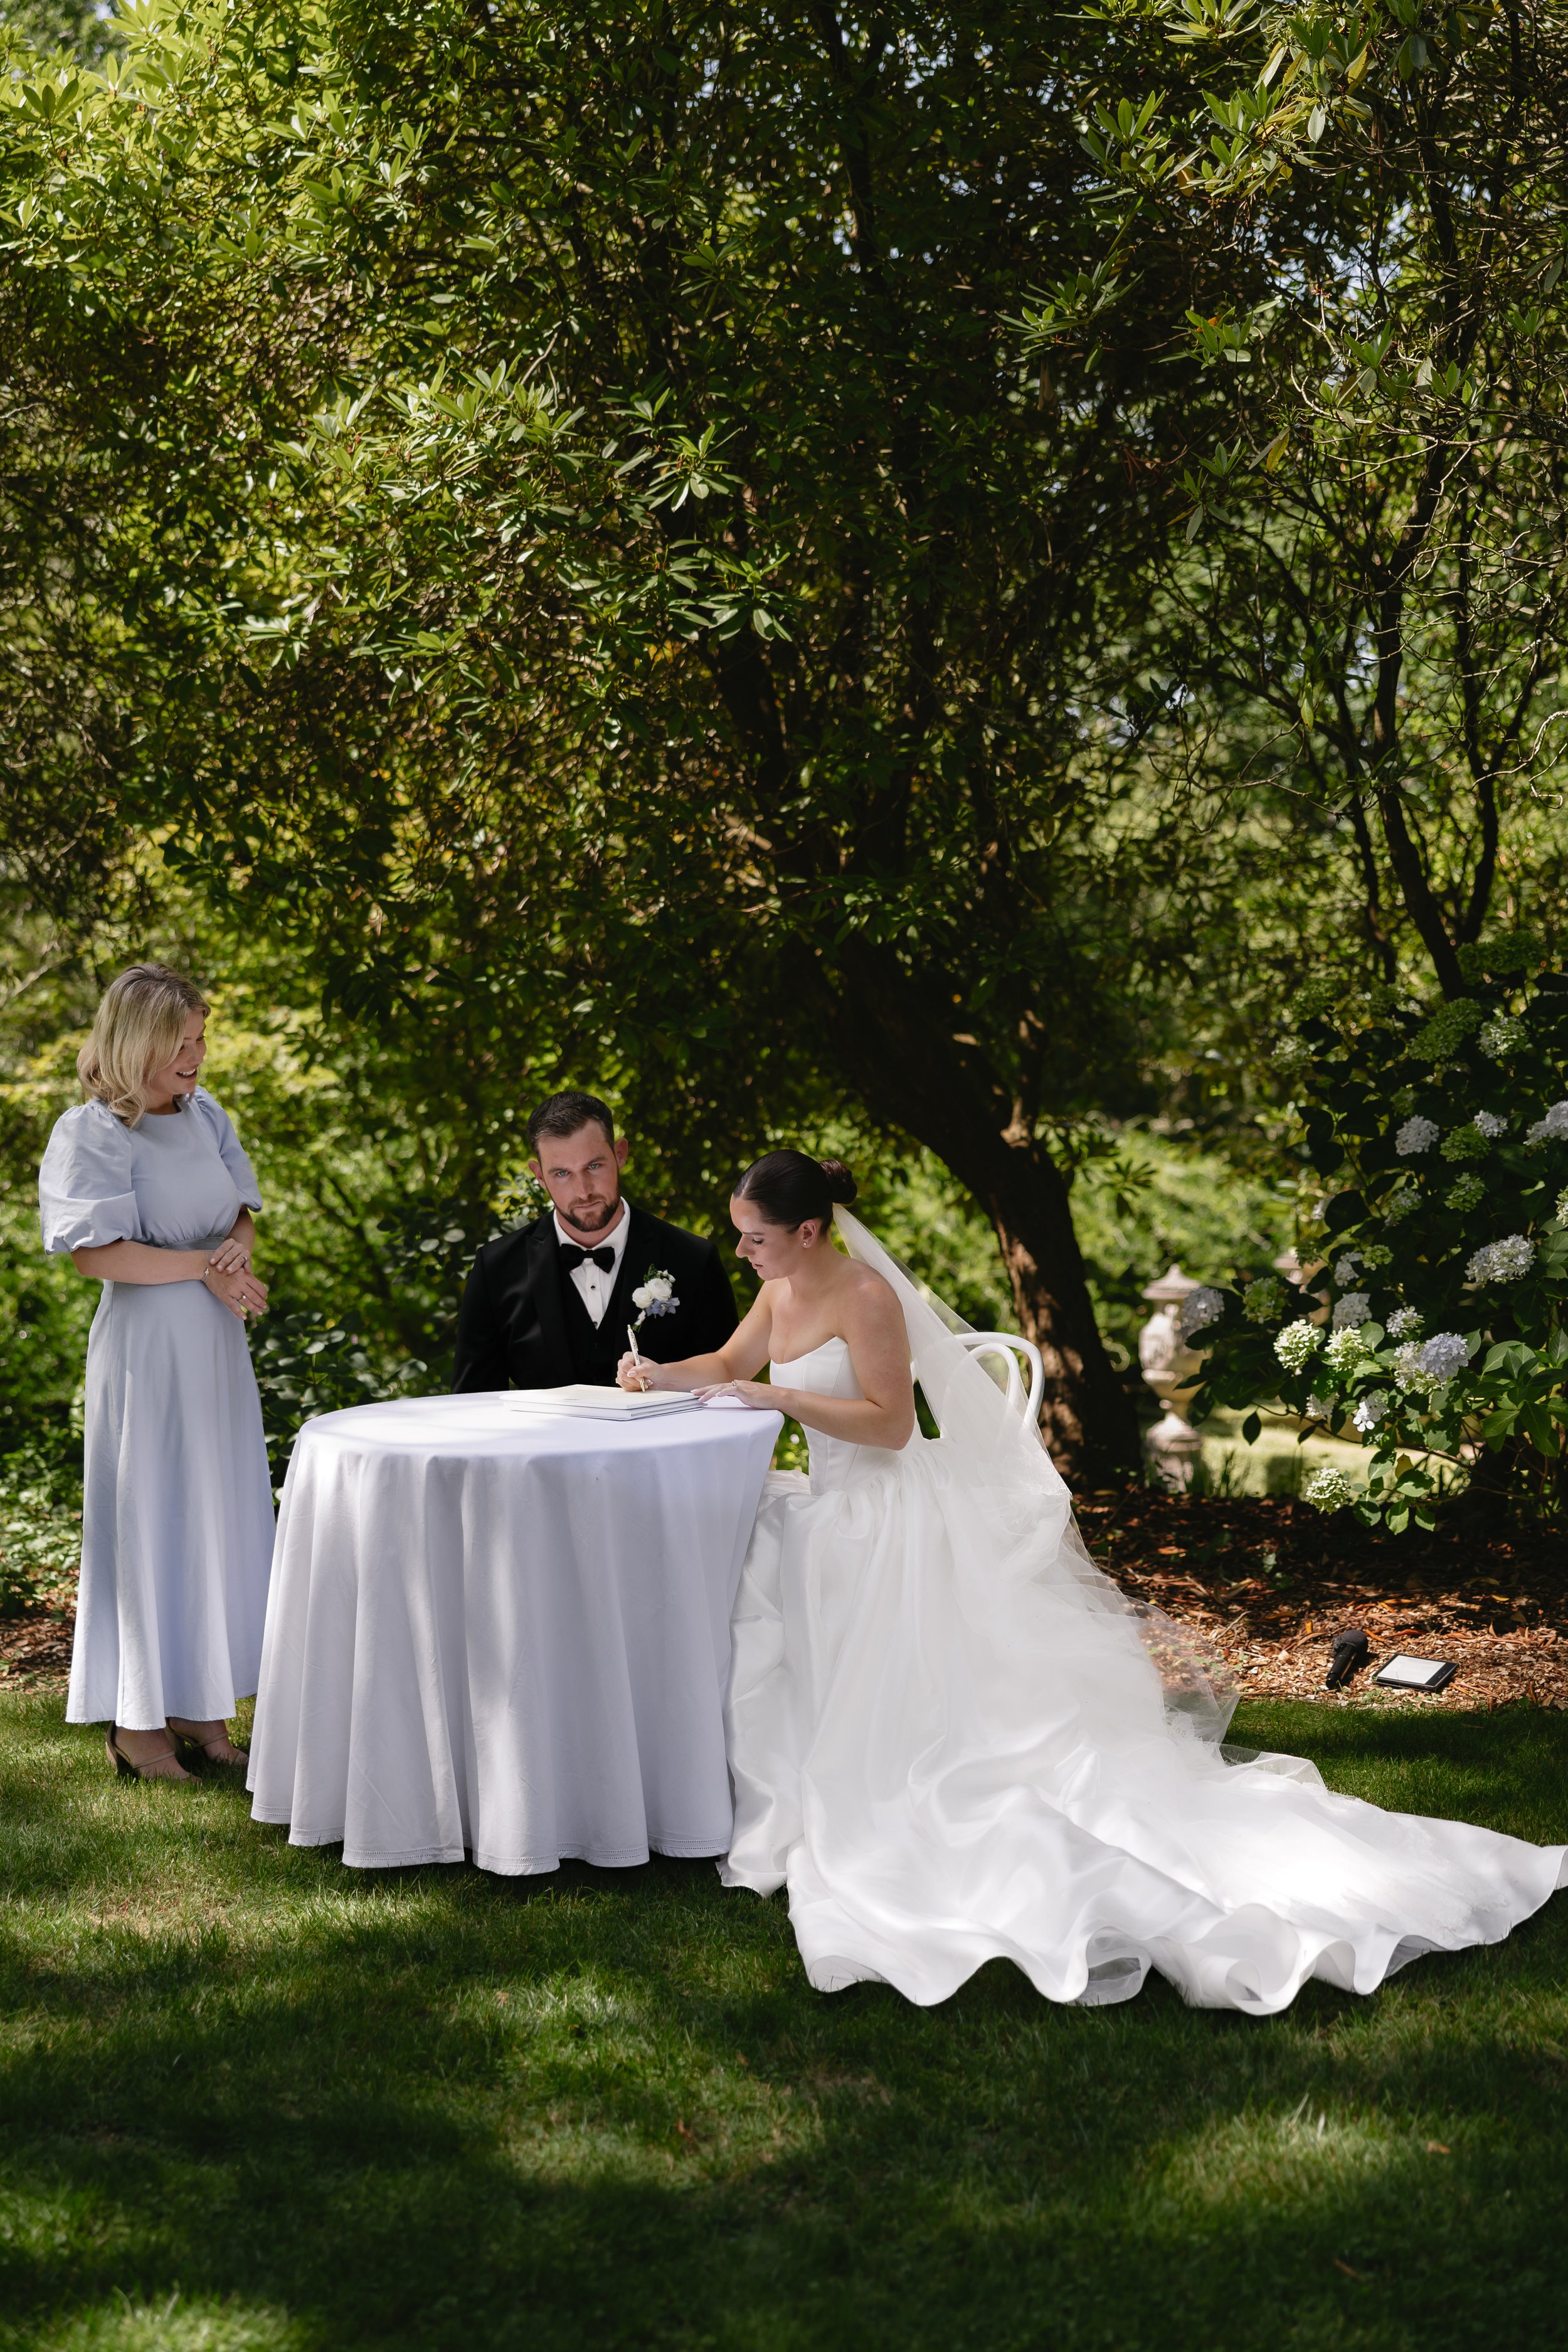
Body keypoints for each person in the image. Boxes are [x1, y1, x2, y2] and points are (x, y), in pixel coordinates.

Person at [619, 1150, 1568, 2015]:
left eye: (755, 1235)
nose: (741, 1249)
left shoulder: (862, 1295)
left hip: (884, 1515)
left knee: (912, 1701)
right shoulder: (781, 1289)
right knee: (758, 1566)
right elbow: (731, 1365)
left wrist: (776, 1397)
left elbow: (892, 1426)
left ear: (810, 1232)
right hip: (825, 1508)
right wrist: (658, 1375)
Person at [38, 964, 276, 1783]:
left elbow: (240, 1206)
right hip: (146, 1356)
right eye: (182, 1041)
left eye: (202, 1037)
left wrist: (236, 1251)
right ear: (135, 1040)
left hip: (214, 1346)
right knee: (152, 1516)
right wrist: (201, 1272)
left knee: (210, 1514)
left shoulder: (206, 1116)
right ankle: (137, 1727)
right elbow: (93, 1254)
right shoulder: (93, 1131)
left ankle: (201, 1707)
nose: (198, 1054)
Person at [452, 1090, 739, 1393]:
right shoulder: (496, 1269)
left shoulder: (694, 1259)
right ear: (539, 1175)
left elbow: (726, 1389)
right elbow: (472, 1402)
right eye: (562, 1173)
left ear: (620, 1154)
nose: (583, 1191)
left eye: (594, 1166)